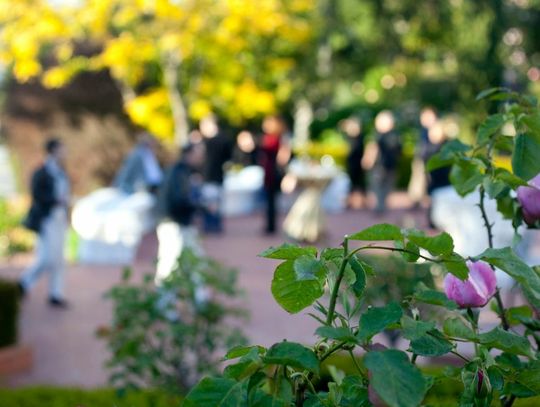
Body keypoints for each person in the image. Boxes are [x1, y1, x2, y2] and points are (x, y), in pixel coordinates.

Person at [19, 138, 70, 308]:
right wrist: (55, 200)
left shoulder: (61, 172)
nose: (65, 152)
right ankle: (24, 283)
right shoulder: (42, 171)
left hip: (59, 219)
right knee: (46, 257)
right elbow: (37, 195)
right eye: (62, 149)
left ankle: (56, 293)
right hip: (46, 219)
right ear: (53, 150)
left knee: (59, 258)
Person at [155, 143, 205, 284]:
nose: (201, 157)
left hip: (177, 221)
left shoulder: (182, 171)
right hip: (173, 222)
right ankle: (164, 302)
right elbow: (179, 199)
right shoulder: (179, 172)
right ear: (189, 154)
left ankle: (198, 298)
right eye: (198, 154)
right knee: (170, 262)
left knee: (194, 259)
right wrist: (201, 207)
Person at [362, 110, 402, 213]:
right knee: (378, 186)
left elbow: (398, 150)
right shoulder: (378, 134)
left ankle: (381, 206)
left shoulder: (392, 135)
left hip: (387, 165)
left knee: (385, 186)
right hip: (380, 165)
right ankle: (380, 206)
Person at [199, 114, 232, 233]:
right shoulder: (224, 139)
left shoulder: (207, 142)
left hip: (209, 176)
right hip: (218, 176)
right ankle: (215, 225)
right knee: (216, 203)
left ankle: (212, 225)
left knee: (210, 203)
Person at [259, 115, 291, 234]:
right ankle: (270, 224)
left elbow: (283, 154)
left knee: (272, 199)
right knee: (269, 200)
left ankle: (271, 226)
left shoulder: (278, 137)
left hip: (273, 170)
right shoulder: (270, 137)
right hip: (269, 169)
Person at [408, 107, 438, 208]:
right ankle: (416, 200)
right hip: (422, 158)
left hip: (431, 158)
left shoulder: (435, 129)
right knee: (418, 179)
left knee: (429, 180)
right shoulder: (424, 130)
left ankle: (426, 200)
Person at [341, 117, 366, 209]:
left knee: (359, 183)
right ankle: (350, 201)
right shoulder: (348, 137)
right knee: (351, 183)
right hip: (351, 162)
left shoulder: (360, 137)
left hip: (358, 162)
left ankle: (362, 201)